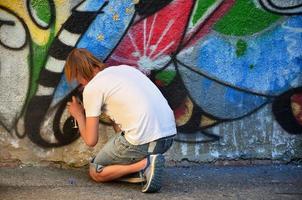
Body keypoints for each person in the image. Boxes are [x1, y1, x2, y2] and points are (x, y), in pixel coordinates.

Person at [65, 48, 176, 193]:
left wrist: (78, 114)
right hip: (167, 139)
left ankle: (144, 165)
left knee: (96, 171)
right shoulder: (125, 70)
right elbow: (124, 123)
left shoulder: (92, 88)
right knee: (125, 147)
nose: (78, 82)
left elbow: (91, 140)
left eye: (76, 78)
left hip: (144, 142)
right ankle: (146, 169)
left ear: (79, 73)